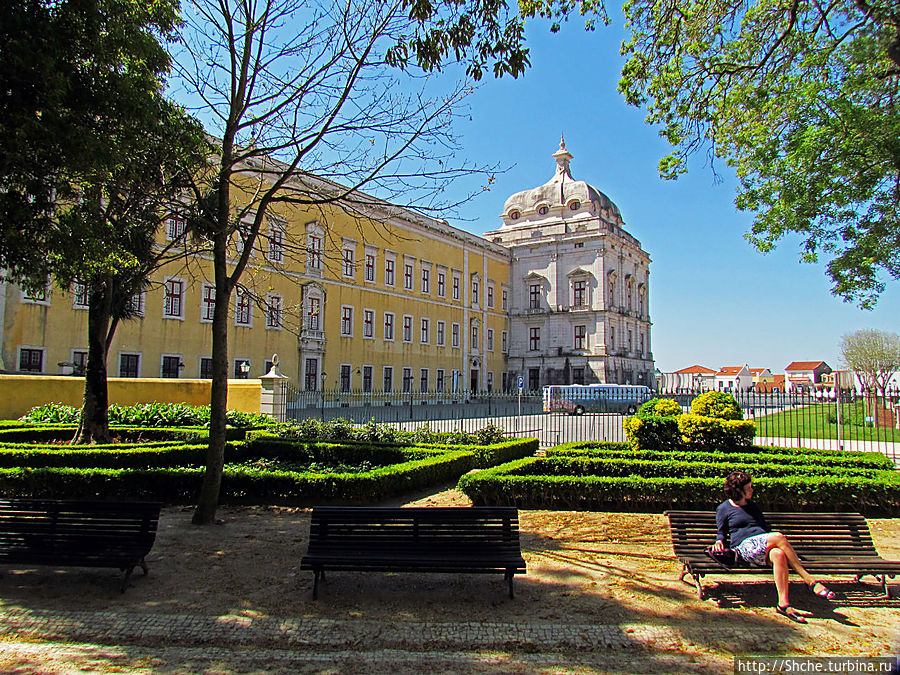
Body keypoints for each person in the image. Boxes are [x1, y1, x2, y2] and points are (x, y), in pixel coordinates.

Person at [712, 470, 835, 623]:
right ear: (739, 490)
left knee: (778, 554)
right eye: (749, 488)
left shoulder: (753, 506)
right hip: (744, 548)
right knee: (778, 537)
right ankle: (810, 581)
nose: (752, 490)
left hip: (762, 546)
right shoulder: (724, 508)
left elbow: (763, 528)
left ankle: (783, 604)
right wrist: (719, 541)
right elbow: (721, 532)